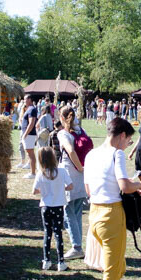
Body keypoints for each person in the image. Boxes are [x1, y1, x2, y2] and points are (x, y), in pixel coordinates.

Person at [84, 118, 141, 280]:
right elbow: (125, 186)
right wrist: (139, 185)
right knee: (111, 274)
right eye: (128, 141)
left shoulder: (91, 154)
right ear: (122, 136)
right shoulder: (116, 154)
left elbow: (89, 188)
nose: (127, 145)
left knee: (118, 267)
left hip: (95, 214)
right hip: (111, 215)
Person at [33, 146, 73, 271]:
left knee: (47, 233)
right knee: (58, 233)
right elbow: (70, 186)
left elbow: (34, 191)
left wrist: (43, 190)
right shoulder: (61, 171)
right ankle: (61, 262)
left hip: (45, 206)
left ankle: (46, 261)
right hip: (58, 206)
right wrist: (61, 189)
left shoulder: (41, 173)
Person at [56, 106, 87, 260]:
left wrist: (79, 167)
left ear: (61, 118)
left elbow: (70, 150)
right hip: (82, 176)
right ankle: (78, 244)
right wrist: (82, 168)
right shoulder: (81, 131)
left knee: (68, 212)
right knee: (77, 212)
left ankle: (77, 247)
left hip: (70, 175)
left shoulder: (63, 133)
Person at [19, 95, 38, 178]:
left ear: (30, 99)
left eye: (25, 99)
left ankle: (33, 173)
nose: (24, 101)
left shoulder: (32, 109)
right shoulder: (30, 109)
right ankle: (32, 172)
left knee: (31, 154)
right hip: (28, 134)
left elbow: (31, 123)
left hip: (29, 134)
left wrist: (25, 134)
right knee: (30, 153)